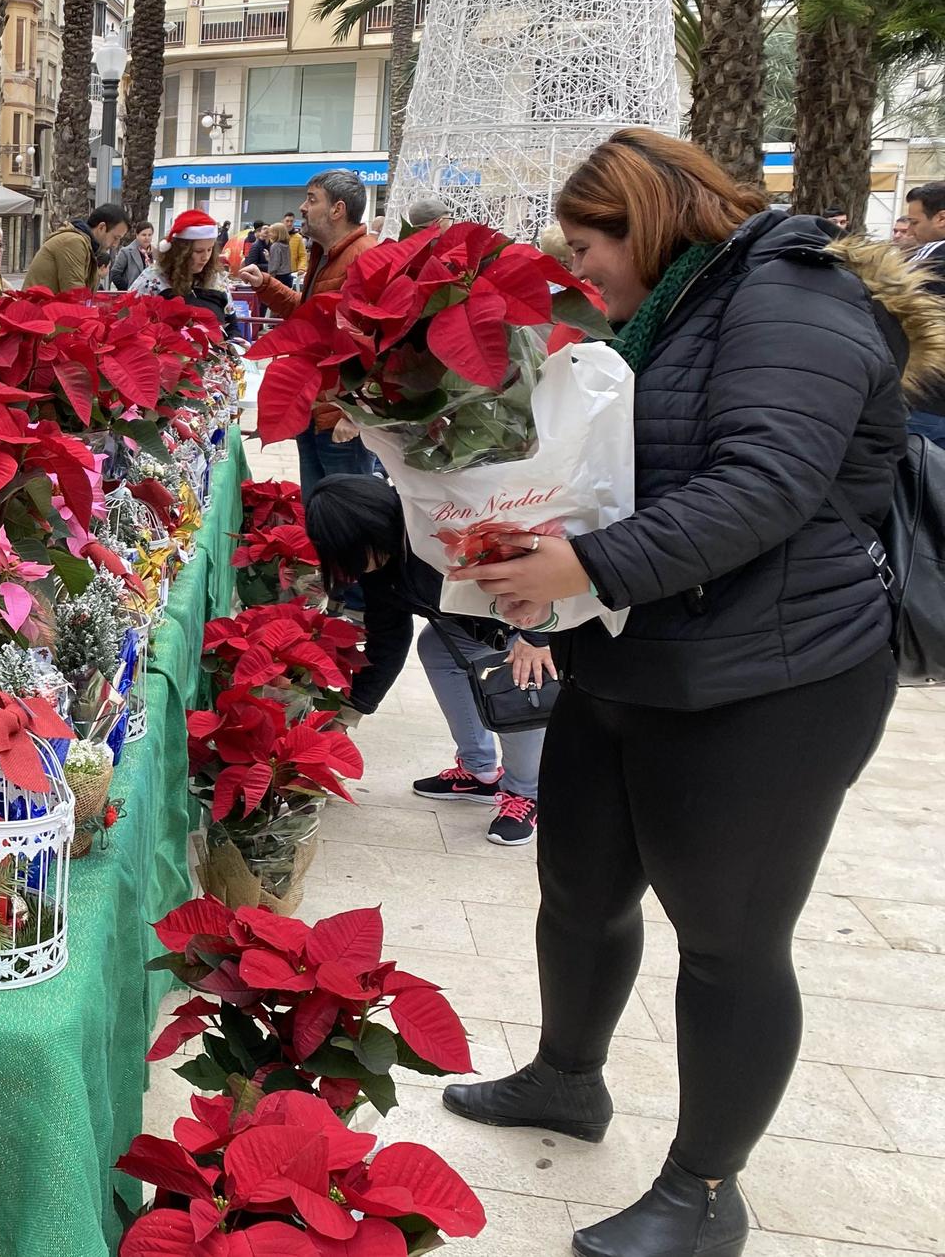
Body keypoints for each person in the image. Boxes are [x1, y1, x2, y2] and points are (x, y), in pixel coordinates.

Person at [445, 128, 914, 1257]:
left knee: (726, 940)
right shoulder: (670, 313)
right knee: (580, 888)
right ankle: (567, 1078)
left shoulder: (786, 296)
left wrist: (584, 568)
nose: (578, 264)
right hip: (639, 653)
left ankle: (704, 1190)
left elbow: (764, 481)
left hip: (770, 678)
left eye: (589, 239)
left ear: (648, 217)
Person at [304, 475, 549, 846]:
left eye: (352, 552)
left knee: (514, 674)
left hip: (532, 616)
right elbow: (388, 642)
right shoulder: (381, 565)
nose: (351, 565)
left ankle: (525, 793)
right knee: (435, 647)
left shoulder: (442, 530)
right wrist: (344, 717)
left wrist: (537, 637)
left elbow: (535, 566)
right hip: (482, 623)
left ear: (374, 529)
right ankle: (480, 772)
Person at [240, 169, 381, 495]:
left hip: (340, 423)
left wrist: (357, 415)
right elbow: (309, 321)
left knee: (346, 520)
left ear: (338, 209)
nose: (302, 207)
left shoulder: (364, 257)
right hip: (314, 411)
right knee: (319, 513)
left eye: (311, 199)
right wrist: (266, 285)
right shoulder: (325, 255)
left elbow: (381, 343)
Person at [129, 210, 239, 334]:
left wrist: (234, 345)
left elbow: (232, 326)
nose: (205, 257)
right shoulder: (153, 278)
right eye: (198, 251)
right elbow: (129, 318)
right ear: (180, 252)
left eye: (209, 250)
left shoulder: (217, 279)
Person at [900, 182, 945, 443]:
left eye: (915, 223)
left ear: (941, 218)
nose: (910, 231)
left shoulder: (931, 256)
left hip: (927, 396)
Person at [24, 202, 129, 293]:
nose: (115, 244)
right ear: (101, 227)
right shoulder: (74, 242)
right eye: (116, 237)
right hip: (37, 311)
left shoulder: (87, 246)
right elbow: (75, 293)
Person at [108, 222, 155, 290]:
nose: (147, 238)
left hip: (150, 296)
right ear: (137, 235)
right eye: (144, 235)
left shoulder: (154, 253)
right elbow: (115, 274)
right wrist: (127, 290)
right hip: (131, 295)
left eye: (149, 235)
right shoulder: (126, 252)